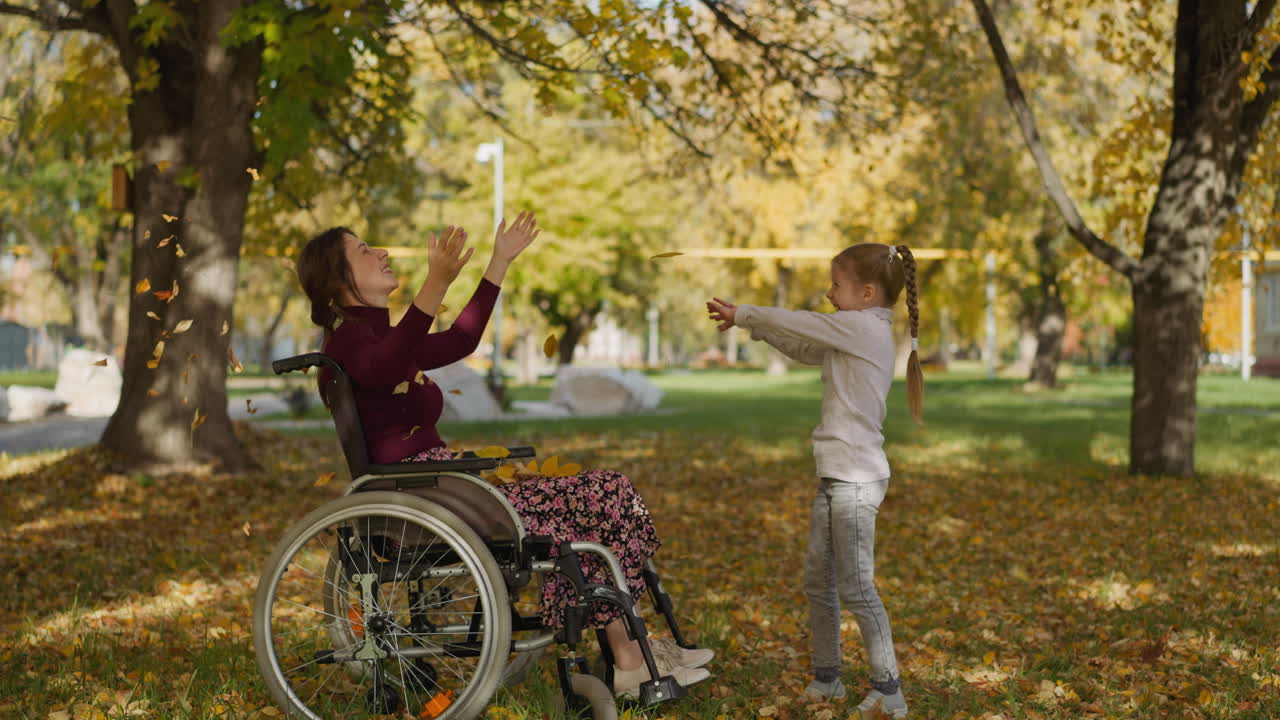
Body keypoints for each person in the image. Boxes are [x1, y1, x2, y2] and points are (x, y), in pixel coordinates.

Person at [294, 213, 712, 698]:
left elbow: (461, 339)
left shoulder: (379, 338)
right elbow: (387, 365)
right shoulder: (350, 341)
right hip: (429, 495)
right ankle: (630, 657)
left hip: (444, 488)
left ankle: (632, 652)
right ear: (336, 280)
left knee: (607, 495)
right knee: (601, 496)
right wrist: (435, 281)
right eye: (364, 250)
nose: (382, 252)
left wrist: (499, 262)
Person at [706, 243, 923, 719]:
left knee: (857, 587)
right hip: (836, 476)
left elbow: (805, 324)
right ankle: (828, 679)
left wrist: (747, 313)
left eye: (836, 285)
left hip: (856, 480)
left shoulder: (864, 328)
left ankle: (890, 692)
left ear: (867, 293)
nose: (828, 293)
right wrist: (756, 328)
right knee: (818, 582)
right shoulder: (853, 330)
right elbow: (805, 347)